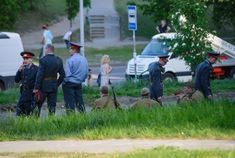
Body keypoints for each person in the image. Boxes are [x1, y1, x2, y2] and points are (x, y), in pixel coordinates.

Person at [34, 44, 65, 115]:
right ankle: (51, 121)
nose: (45, 50)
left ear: (47, 49)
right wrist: (57, 84)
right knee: (52, 106)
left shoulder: (43, 60)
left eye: (45, 49)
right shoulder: (58, 60)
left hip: (43, 86)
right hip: (53, 86)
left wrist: (36, 87)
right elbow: (63, 75)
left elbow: (40, 75)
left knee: (38, 104)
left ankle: (35, 120)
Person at [62, 42, 88, 113]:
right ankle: (83, 116)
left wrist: (64, 82)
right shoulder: (84, 59)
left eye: (70, 49)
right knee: (80, 101)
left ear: (74, 50)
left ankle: (71, 118)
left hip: (69, 83)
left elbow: (67, 75)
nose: (69, 50)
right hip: (78, 83)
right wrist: (81, 80)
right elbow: (86, 73)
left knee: (70, 102)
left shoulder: (70, 60)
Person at [15, 51, 38, 116]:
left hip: (31, 93)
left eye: (27, 58)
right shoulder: (22, 68)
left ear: (31, 59)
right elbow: (16, 80)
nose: (25, 60)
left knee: (29, 111)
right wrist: (19, 70)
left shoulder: (36, 69)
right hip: (23, 93)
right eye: (24, 59)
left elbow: (38, 81)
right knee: (19, 111)